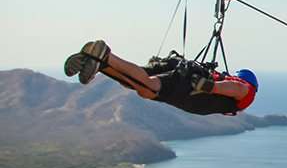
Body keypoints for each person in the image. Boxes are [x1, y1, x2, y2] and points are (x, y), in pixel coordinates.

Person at [64, 40, 258, 116]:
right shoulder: (246, 92)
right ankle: (106, 56)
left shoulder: (227, 91)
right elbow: (238, 89)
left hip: (183, 71)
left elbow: (232, 85)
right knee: (148, 88)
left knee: (138, 83)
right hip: (189, 83)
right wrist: (210, 87)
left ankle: (100, 62)